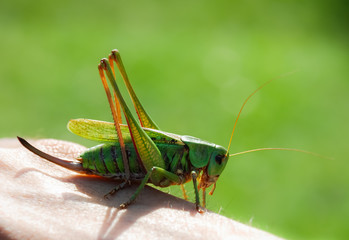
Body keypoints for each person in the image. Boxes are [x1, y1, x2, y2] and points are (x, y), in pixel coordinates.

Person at [0, 138, 282, 240]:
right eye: (218, 160)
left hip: (142, 159)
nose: (217, 165)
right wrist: (128, 193)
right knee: (156, 167)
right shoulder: (187, 160)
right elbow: (156, 171)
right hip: (124, 161)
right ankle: (123, 179)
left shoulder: (190, 166)